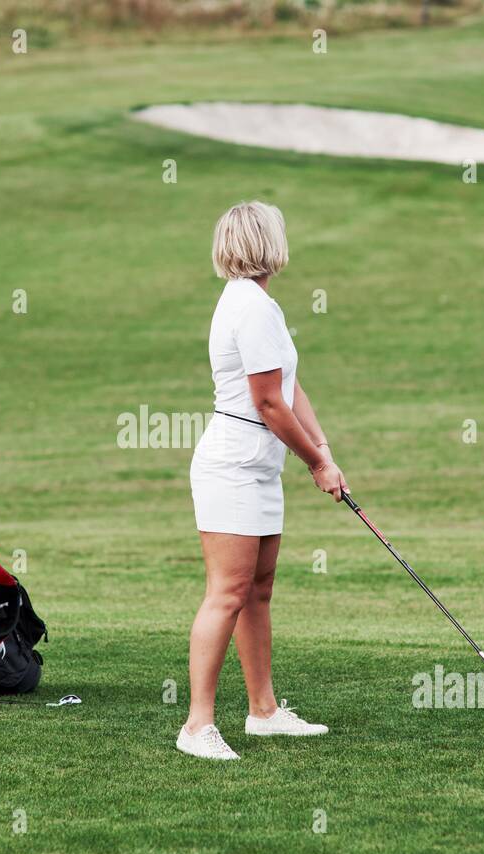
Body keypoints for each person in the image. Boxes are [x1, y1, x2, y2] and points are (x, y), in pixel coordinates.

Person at [179, 201, 348, 760]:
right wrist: (315, 463)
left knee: (257, 591)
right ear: (266, 243)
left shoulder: (259, 305)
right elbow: (268, 402)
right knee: (226, 593)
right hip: (233, 465)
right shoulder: (250, 307)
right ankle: (197, 726)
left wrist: (322, 448)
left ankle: (264, 711)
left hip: (257, 466)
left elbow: (290, 388)